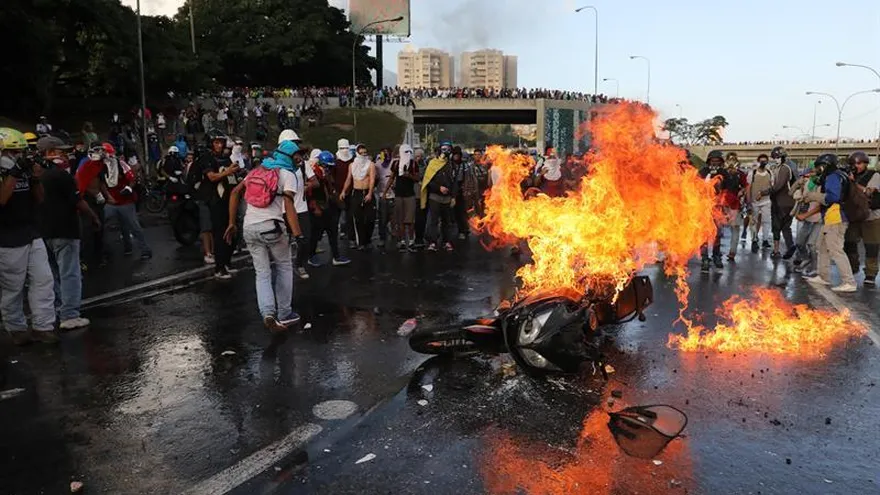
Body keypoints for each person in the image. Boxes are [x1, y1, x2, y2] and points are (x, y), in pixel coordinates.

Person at [224, 143, 303, 332]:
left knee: (262, 273)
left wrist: (231, 222)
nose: (299, 159)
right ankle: (284, 314)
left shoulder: (257, 170)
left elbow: (235, 192)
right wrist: (299, 234)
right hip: (272, 227)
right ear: (288, 156)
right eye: (297, 156)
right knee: (284, 266)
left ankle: (268, 314)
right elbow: (289, 206)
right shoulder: (288, 175)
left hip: (249, 227)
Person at [0, 128, 58, 344]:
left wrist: (33, 177)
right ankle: (15, 328)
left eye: (20, 152)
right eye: (12, 152)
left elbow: (40, 199)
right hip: (7, 236)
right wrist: (13, 174)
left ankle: (43, 326)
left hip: (31, 231)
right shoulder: (7, 172)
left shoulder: (22, 170)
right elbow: (2, 200)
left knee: (44, 280)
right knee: (13, 286)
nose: (17, 157)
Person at [39, 156, 101, 330]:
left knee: (53, 275)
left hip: (44, 232)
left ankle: (59, 310)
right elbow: (78, 201)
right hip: (65, 230)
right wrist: (93, 217)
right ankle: (70, 315)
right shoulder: (64, 178)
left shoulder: (38, 178)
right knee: (70, 273)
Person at [803, 153, 857, 293]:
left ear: (826, 165)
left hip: (836, 218)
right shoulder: (838, 175)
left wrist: (813, 196)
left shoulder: (834, 176)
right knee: (821, 247)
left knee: (835, 250)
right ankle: (823, 276)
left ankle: (849, 282)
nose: (819, 169)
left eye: (820, 167)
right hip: (830, 218)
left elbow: (833, 197)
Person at [102, 144, 152, 260]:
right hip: (110, 202)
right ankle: (107, 252)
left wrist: (129, 188)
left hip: (125, 201)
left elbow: (132, 178)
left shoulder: (121, 164)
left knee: (133, 226)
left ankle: (145, 250)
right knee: (102, 226)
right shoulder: (99, 167)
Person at [200, 133, 239, 278]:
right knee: (220, 234)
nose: (220, 145)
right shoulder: (207, 158)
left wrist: (236, 173)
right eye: (216, 142)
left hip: (229, 199)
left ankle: (227, 263)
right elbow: (211, 177)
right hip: (215, 200)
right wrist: (228, 172)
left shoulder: (226, 158)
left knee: (233, 232)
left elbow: (231, 177)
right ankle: (219, 267)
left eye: (221, 142)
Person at [307, 151, 350, 267]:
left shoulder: (325, 176)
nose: (329, 169)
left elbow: (330, 190)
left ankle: (336, 256)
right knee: (315, 234)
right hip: (318, 207)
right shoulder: (314, 175)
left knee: (332, 232)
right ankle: (310, 256)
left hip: (327, 206)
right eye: (328, 167)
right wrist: (315, 207)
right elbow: (310, 194)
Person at [843, 151, 880, 286]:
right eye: (853, 164)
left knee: (871, 246)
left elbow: (869, 191)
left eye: (858, 163)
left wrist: (854, 183)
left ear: (865, 163)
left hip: (871, 216)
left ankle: (870, 273)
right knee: (849, 242)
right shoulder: (851, 176)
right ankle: (853, 266)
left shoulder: (873, 175)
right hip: (855, 215)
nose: (856, 166)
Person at [422, 142, 457, 252]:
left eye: (448, 149)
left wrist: (453, 197)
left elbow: (455, 182)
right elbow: (428, 180)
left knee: (447, 221)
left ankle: (446, 241)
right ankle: (433, 242)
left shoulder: (452, 165)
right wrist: (439, 188)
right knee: (434, 221)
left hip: (447, 198)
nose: (445, 152)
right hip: (435, 197)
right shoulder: (432, 163)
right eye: (443, 149)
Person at [340, 144, 376, 249]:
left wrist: (370, 193)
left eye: (365, 153)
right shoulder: (352, 165)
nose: (364, 155)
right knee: (357, 218)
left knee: (370, 218)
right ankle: (360, 242)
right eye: (361, 153)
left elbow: (372, 179)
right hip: (356, 192)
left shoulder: (371, 165)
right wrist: (343, 191)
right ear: (357, 154)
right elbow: (348, 179)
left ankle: (367, 239)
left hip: (367, 192)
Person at [698, 150, 729, 272]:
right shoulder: (703, 172)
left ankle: (716, 256)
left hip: (718, 208)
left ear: (721, 162)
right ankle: (705, 258)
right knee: (704, 234)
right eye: (713, 160)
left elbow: (728, 190)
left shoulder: (724, 173)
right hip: (704, 207)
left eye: (717, 160)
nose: (715, 162)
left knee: (717, 234)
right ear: (709, 161)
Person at [290, 146, 318, 279]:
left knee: (305, 238)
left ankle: (299, 264)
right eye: (295, 154)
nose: (298, 157)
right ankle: (284, 267)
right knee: (284, 241)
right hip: (285, 208)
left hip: (301, 207)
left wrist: (307, 186)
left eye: (300, 154)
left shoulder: (304, 165)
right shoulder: (281, 166)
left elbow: (315, 182)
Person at [384, 144, 418, 252]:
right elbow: (391, 178)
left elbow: (417, 178)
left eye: (409, 152)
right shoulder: (396, 164)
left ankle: (412, 241)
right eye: (405, 152)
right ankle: (402, 241)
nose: (407, 154)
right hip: (399, 195)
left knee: (410, 220)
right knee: (400, 220)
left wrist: (409, 175)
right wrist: (385, 191)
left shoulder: (413, 164)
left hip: (410, 195)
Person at [791, 164, 823, 276]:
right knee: (799, 242)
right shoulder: (807, 183)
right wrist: (799, 184)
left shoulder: (823, 185)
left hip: (818, 219)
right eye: (809, 172)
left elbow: (821, 206)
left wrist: (805, 215)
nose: (810, 174)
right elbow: (792, 193)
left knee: (811, 244)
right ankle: (805, 259)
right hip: (807, 218)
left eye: (813, 172)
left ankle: (815, 267)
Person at [765, 146, 796, 259]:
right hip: (789, 203)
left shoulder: (784, 168)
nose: (775, 159)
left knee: (777, 226)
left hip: (781, 203)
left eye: (777, 157)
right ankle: (790, 246)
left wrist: (763, 192)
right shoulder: (787, 167)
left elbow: (777, 186)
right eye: (774, 157)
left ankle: (776, 250)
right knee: (786, 227)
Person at [720, 152, 747, 261]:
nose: (731, 161)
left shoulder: (741, 174)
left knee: (735, 228)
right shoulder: (721, 173)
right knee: (717, 229)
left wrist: (742, 193)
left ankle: (732, 252)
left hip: (735, 205)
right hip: (722, 204)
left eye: (733, 159)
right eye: (729, 159)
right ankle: (715, 253)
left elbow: (746, 187)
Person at [746, 154, 774, 253]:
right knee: (753, 222)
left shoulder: (770, 173)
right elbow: (748, 188)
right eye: (761, 161)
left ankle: (765, 239)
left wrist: (765, 194)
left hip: (766, 200)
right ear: (758, 161)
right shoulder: (752, 173)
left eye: (765, 161)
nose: (763, 163)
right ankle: (754, 240)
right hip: (754, 202)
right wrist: (748, 202)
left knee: (766, 221)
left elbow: (772, 187)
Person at [334, 138, 355, 246]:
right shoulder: (335, 162)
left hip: (351, 191)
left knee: (350, 215)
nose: (345, 150)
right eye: (343, 148)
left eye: (346, 148)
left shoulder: (352, 161)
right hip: (338, 191)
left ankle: (351, 236)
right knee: (339, 215)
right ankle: (341, 232)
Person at [374, 147, 395, 249]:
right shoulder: (377, 164)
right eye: (384, 152)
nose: (386, 154)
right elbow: (375, 177)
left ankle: (394, 233)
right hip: (382, 194)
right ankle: (382, 238)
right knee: (382, 218)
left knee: (394, 216)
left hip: (394, 194)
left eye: (388, 152)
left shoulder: (395, 162)